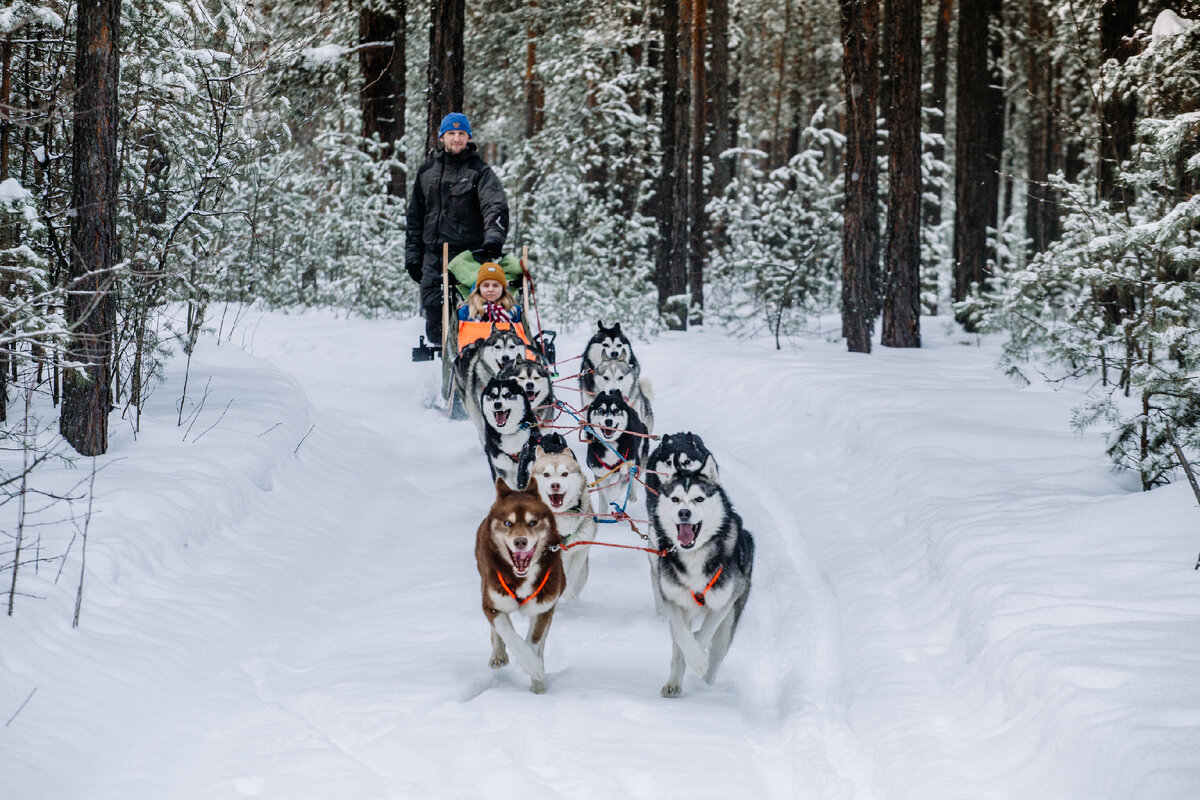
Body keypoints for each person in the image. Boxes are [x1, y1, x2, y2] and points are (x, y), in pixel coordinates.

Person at [405, 112, 510, 344]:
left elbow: (496, 207)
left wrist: (493, 241)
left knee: (476, 319)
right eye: (451, 133)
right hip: (434, 258)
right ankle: (446, 367)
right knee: (436, 329)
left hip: (469, 257)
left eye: (461, 133)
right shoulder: (426, 173)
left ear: (468, 137)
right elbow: (414, 220)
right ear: (442, 137)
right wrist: (413, 257)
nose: (456, 138)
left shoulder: (480, 172)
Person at [458, 262, 523, 323]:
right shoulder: (466, 310)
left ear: (503, 289)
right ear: (479, 288)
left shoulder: (514, 311)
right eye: (486, 285)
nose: (491, 289)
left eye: (496, 285)